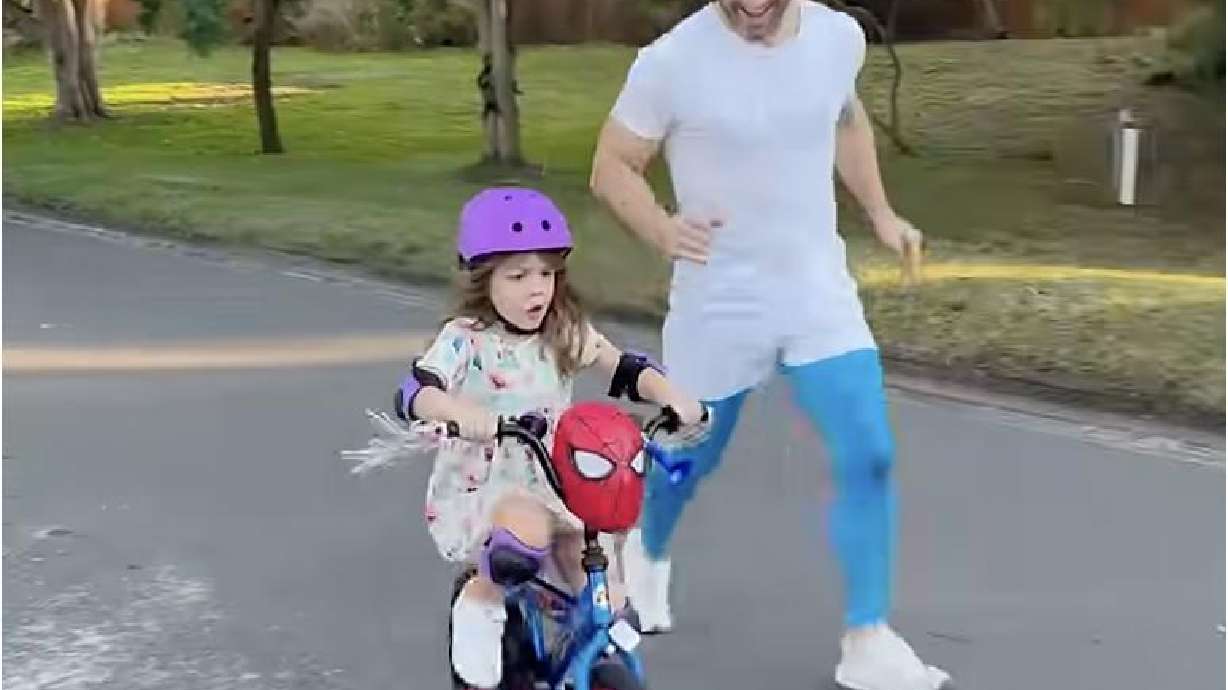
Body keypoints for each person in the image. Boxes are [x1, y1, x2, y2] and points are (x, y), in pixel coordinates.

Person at [588, 2, 948, 689]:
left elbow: (843, 118)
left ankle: (867, 639)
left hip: (817, 293)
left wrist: (880, 213)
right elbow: (613, 165)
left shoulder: (838, 38)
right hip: (719, 300)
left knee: (869, 453)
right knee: (686, 458)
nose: (753, 6)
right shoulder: (671, 61)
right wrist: (663, 231)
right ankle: (648, 551)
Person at [398, 186, 706, 689]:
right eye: (517, 275)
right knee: (524, 540)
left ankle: (590, 638)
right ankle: (480, 604)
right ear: (482, 278)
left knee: (593, 555)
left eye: (546, 273)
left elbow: (621, 366)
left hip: (554, 475)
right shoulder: (466, 339)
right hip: (492, 483)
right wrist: (457, 411)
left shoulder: (560, 330)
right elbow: (418, 390)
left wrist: (671, 395)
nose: (535, 289)